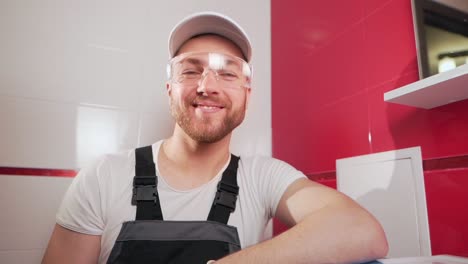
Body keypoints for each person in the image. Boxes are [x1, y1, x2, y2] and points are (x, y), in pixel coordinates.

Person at [42, 11, 388, 264]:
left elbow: (362, 231)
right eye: (191, 70)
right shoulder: (103, 177)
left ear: (247, 96)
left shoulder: (264, 177)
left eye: (227, 74)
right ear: (169, 90)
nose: (207, 86)